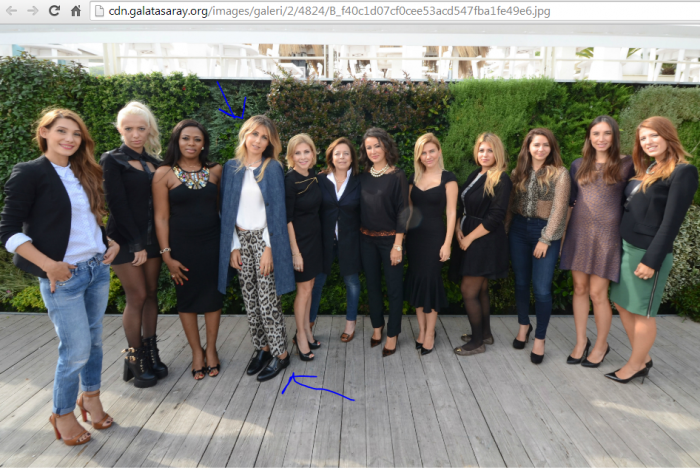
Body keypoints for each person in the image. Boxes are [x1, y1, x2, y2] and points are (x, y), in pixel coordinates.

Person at [0, 109, 119, 446]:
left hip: (97, 269)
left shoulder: (84, 171)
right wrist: (48, 265)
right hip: (63, 277)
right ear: (44, 132)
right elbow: (7, 231)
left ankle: (91, 398)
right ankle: (62, 413)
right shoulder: (30, 172)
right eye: (62, 131)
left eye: (76, 134)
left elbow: (86, 220)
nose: (70, 139)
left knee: (94, 342)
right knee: (76, 349)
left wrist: (107, 241)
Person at [606, 116, 698, 384]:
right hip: (626, 247)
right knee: (622, 303)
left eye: (654, 135)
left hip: (647, 253)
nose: (648, 142)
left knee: (642, 312)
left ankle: (635, 365)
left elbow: (671, 222)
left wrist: (652, 261)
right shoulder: (648, 168)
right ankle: (642, 357)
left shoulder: (683, 172)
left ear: (668, 136)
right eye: (643, 138)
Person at [218, 115, 295, 382]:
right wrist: (234, 246)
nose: (258, 141)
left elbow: (277, 210)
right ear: (245, 134)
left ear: (270, 142)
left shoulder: (271, 168)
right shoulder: (231, 167)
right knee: (250, 301)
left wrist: (269, 248)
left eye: (265, 137)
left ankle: (281, 354)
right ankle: (263, 349)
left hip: (265, 241)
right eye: (254, 134)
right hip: (241, 241)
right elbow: (227, 210)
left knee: (268, 301)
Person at [559, 116, 635, 367]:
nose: (601, 139)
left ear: (614, 136)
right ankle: (581, 341)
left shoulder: (628, 164)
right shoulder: (577, 164)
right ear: (589, 137)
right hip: (578, 233)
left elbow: (636, 200)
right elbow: (571, 203)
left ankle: (602, 345)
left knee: (597, 293)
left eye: (606, 133)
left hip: (608, 236)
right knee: (580, 288)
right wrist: (563, 236)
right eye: (596, 133)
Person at [101, 101, 166, 388]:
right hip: (124, 241)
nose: (135, 134)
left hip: (153, 241)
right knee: (137, 296)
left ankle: (151, 353)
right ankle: (135, 358)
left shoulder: (156, 163)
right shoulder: (112, 160)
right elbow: (116, 205)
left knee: (151, 294)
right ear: (119, 129)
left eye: (141, 128)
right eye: (128, 128)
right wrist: (137, 244)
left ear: (149, 129)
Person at [153, 120, 223, 380]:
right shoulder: (163, 174)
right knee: (187, 299)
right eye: (185, 138)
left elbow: (222, 209)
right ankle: (196, 352)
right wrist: (166, 255)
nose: (191, 143)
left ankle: (211, 349)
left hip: (213, 244)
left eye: (197, 139)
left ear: (204, 143)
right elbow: (161, 218)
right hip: (181, 247)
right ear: (176, 141)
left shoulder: (216, 170)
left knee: (213, 298)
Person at [507, 128, 570, 364]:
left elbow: (560, 209)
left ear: (551, 148)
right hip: (518, 230)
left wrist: (545, 239)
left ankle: (540, 339)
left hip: (544, 231)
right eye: (536, 145)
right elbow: (510, 205)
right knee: (521, 283)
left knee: (542, 289)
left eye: (545, 145)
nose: (540, 149)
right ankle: (524, 325)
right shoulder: (518, 172)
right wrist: (505, 230)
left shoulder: (560, 173)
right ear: (528, 147)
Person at [453, 133, 512, 356]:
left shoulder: (501, 179)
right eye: (481, 150)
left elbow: (496, 217)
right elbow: (462, 205)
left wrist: (469, 238)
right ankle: (485, 334)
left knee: (468, 290)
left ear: (498, 153)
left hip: (485, 240)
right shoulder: (476, 174)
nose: (484, 154)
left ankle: (477, 342)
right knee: (481, 289)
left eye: (489, 150)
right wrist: (458, 227)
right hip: (468, 233)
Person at [404, 133, 457, 356]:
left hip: (436, 237)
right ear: (418, 156)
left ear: (439, 151)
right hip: (414, 239)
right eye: (423, 153)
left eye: (431, 151)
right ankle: (422, 329)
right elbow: (408, 212)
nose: (428, 156)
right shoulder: (413, 178)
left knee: (431, 283)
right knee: (417, 281)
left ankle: (430, 333)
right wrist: (400, 240)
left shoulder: (449, 178)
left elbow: (452, 213)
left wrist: (448, 243)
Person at [358, 128, 410, 357]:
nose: (373, 151)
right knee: (372, 287)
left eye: (377, 146)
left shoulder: (397, 175)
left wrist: (398, 245)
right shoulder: (362, 176)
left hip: (391, 241)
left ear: (386, 147)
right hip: (366, 240)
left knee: (394, 289)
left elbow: (403, 212)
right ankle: (377, 328)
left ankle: (393, 334)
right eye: (369, 147)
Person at [309, 138, 362, 342]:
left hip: (350, 239)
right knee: (317, 283)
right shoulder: (320, 179)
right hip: (324, 240)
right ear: (331, 157)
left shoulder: (359, 180)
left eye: (346, 153)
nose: (341, 157)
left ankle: (350, 323)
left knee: (352, 282)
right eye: (337, 153)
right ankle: (308, 325)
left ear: (352, 158)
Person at [285, 134, 323, 360]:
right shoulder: (290, 181)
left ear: (313, 153)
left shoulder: (314, 176)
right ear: (291, 156)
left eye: (306, 152)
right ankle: (300, 336)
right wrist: (295, 252)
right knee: (304, 291)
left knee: (310, 287)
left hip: (315, 240)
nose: (302, 157)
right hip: (300, 243)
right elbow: (287, 219)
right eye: (297, 153)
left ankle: (308, 331)